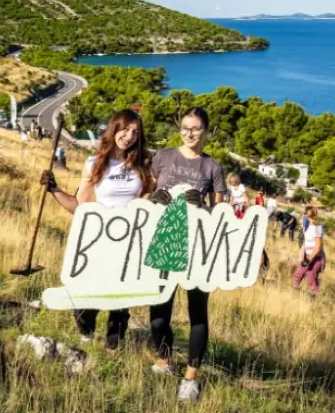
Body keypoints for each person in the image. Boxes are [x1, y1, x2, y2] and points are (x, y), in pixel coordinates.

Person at [40, 109, 152, 352]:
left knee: (120, 300)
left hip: (130, 240)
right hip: (99, 237)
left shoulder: (142, 164)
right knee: (86, 294)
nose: (129, 136)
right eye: (125, 129)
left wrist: (147, 203)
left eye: (135, 132)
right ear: (114, 128)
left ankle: (113, 349)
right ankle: (86, 334)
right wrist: (54, 189)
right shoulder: (94, 163)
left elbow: (147, 194)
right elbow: (80, 206)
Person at [144, 107, 227, 403]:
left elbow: (221, 215)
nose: (189, 133)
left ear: (206, 131)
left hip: (197, 252)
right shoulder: (163, 157)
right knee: (158, 314)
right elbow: (144, 196)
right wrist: (154, 197)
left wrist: (204, 208)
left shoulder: (213, 168)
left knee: (197, 314)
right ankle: (165, 362)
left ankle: (190, 378)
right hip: (163, 245)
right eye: (184, 128)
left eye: (196, 128)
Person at [292, 207, 325, 295]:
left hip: (315, 257)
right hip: (307, 255)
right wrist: (302, 255)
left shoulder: (317, 228)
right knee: (298, 275)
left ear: (307, 215)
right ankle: (295, 295)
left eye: (304, 215)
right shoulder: (308, 227)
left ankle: (314, 298)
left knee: (311, 278)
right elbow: (305, 243)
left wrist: (309, 259)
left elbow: (318, 246)